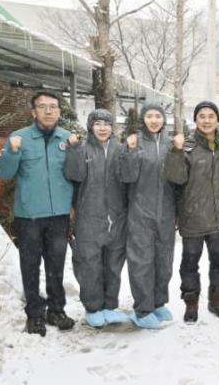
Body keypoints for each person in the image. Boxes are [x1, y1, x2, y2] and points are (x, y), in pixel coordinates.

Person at [0, 90, 75, 337]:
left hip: (59, 214)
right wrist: (12, 152)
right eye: (43, 106)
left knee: (56, 265)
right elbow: (3, 173)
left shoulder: (68, 139)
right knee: (30, 266)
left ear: (59, 111)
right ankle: (35, 314)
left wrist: (74, 205)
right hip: (29, 215)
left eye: (53, 106)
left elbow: (76, 175)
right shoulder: (19, 138)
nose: (49, 111)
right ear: (33, 112)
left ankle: (56, 310)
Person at [164, 101, 219, 323]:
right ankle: (191, 304)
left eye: (211, 116)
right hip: (192, 216)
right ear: (195, 120)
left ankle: (217, 302)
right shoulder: (186, 147)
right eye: (201, 116)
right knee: (190, 263)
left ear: (218, 120)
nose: (206, 120)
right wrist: (176, 152)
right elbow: (176, 178)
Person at [63, 109, 128, 328]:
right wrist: (73, 150)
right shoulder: (82, 148)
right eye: (98, 123)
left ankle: (109, 307)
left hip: (116, 217)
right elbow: (74, 175)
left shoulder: (120, 150)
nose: (102, 128)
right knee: (89, 265)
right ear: (90, 126)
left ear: (112, 127)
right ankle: (93, 308)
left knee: (113, 265)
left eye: (107, 124)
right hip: (89, 216)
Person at [118, 103, 176, 329]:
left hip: (166, 212)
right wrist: (131, 151)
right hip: (140, 211)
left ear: (164, 119)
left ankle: (158, 302)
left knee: (164, 261)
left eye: (157, 116)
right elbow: (127, 176)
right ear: (143, 119)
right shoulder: (135, 142)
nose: (154, 120)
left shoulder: (171, 144)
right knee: (142, 262)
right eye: (149, 116)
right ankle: (143, 310)